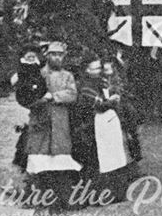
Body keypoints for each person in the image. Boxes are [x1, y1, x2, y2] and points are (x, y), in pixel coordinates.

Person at [74, 56, 141, 202]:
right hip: (92, 127)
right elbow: (96, 105)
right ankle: (101, 195)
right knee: (100, 161)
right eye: (96, 68)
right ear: (87, 70)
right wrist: (110, 102)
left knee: (113, 157)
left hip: (105, 124)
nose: (100, 71)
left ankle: (115, 192)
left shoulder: (100, 82)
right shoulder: (86, 87)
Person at [25, 41, 81, 207]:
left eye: (59, 55)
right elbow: (29, 96)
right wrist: (40, 98)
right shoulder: (39, 74)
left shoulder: (67, 76)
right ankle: (36, 199)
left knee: (61, 160)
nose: (56, 57)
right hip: (41, 123)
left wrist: (54, 96)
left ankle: (63, 200)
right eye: (53, 54)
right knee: (39, 160)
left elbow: (72, 94)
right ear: (47, 56)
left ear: (63, 57)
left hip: (60, 122)